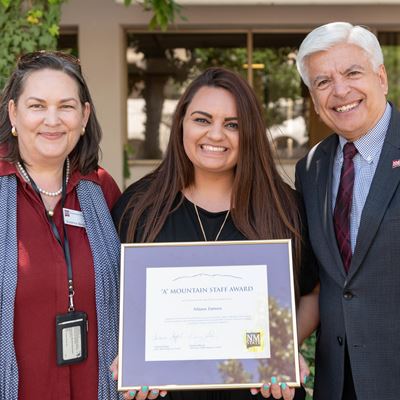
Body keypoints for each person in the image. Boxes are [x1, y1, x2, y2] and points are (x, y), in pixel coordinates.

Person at [112, 67, 319, 400]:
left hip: (262, 391)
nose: (216, 135)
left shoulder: (285, 208)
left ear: (250, 133)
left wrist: (282, 349)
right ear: (181, 123)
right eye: (202, 120)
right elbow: (119, 303)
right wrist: (133, 356)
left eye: (233, 125)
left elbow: (312, 293)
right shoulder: (139, 207)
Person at [0, 51, 122, 400]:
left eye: (66, 106)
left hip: (94, 388)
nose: (51, 120)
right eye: (37, 106)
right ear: (13, 112)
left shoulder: (102, 190)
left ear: (84, 115)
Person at [295, 22, 400, 399]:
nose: (340, 90)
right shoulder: (311, 168)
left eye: (352, 72)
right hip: (337, 383)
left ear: (381, 77)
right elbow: (321, 280)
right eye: (323, 82)